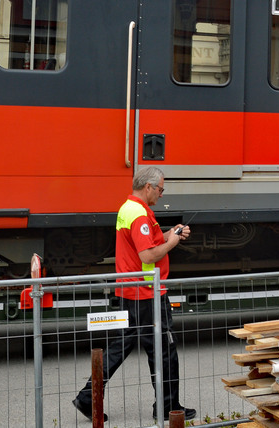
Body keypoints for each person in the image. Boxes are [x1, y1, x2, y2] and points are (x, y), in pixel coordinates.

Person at [73, 167, 197, 422]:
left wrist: (170, 234)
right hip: (146, 292)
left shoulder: (129, 208)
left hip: (132, 289)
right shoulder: (140, 215)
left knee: (121, 346)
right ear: (149, 186)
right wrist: (173, 243)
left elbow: (148, 242)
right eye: (160, 189)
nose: (161, 194)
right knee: (164, 351)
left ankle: (87, 397)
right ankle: (168, 407)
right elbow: (148, 255)